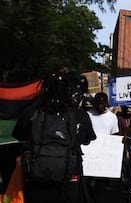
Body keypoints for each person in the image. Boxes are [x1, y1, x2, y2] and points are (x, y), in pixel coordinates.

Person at [12, 71, 96, 203]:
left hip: (36, 180)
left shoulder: (31, 113)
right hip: (69, 182)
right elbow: (88, 139)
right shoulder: (79, 115)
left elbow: (18, 135)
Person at [85, 92, 120, 203]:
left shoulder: (112, 117)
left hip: (104, 159)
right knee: (87, 186)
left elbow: (114, 136)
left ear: (106, 103)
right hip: (89, 158)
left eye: (102, 103)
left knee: (102, 189)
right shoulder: (88, 115)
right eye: (98, 103)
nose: (100, 106)